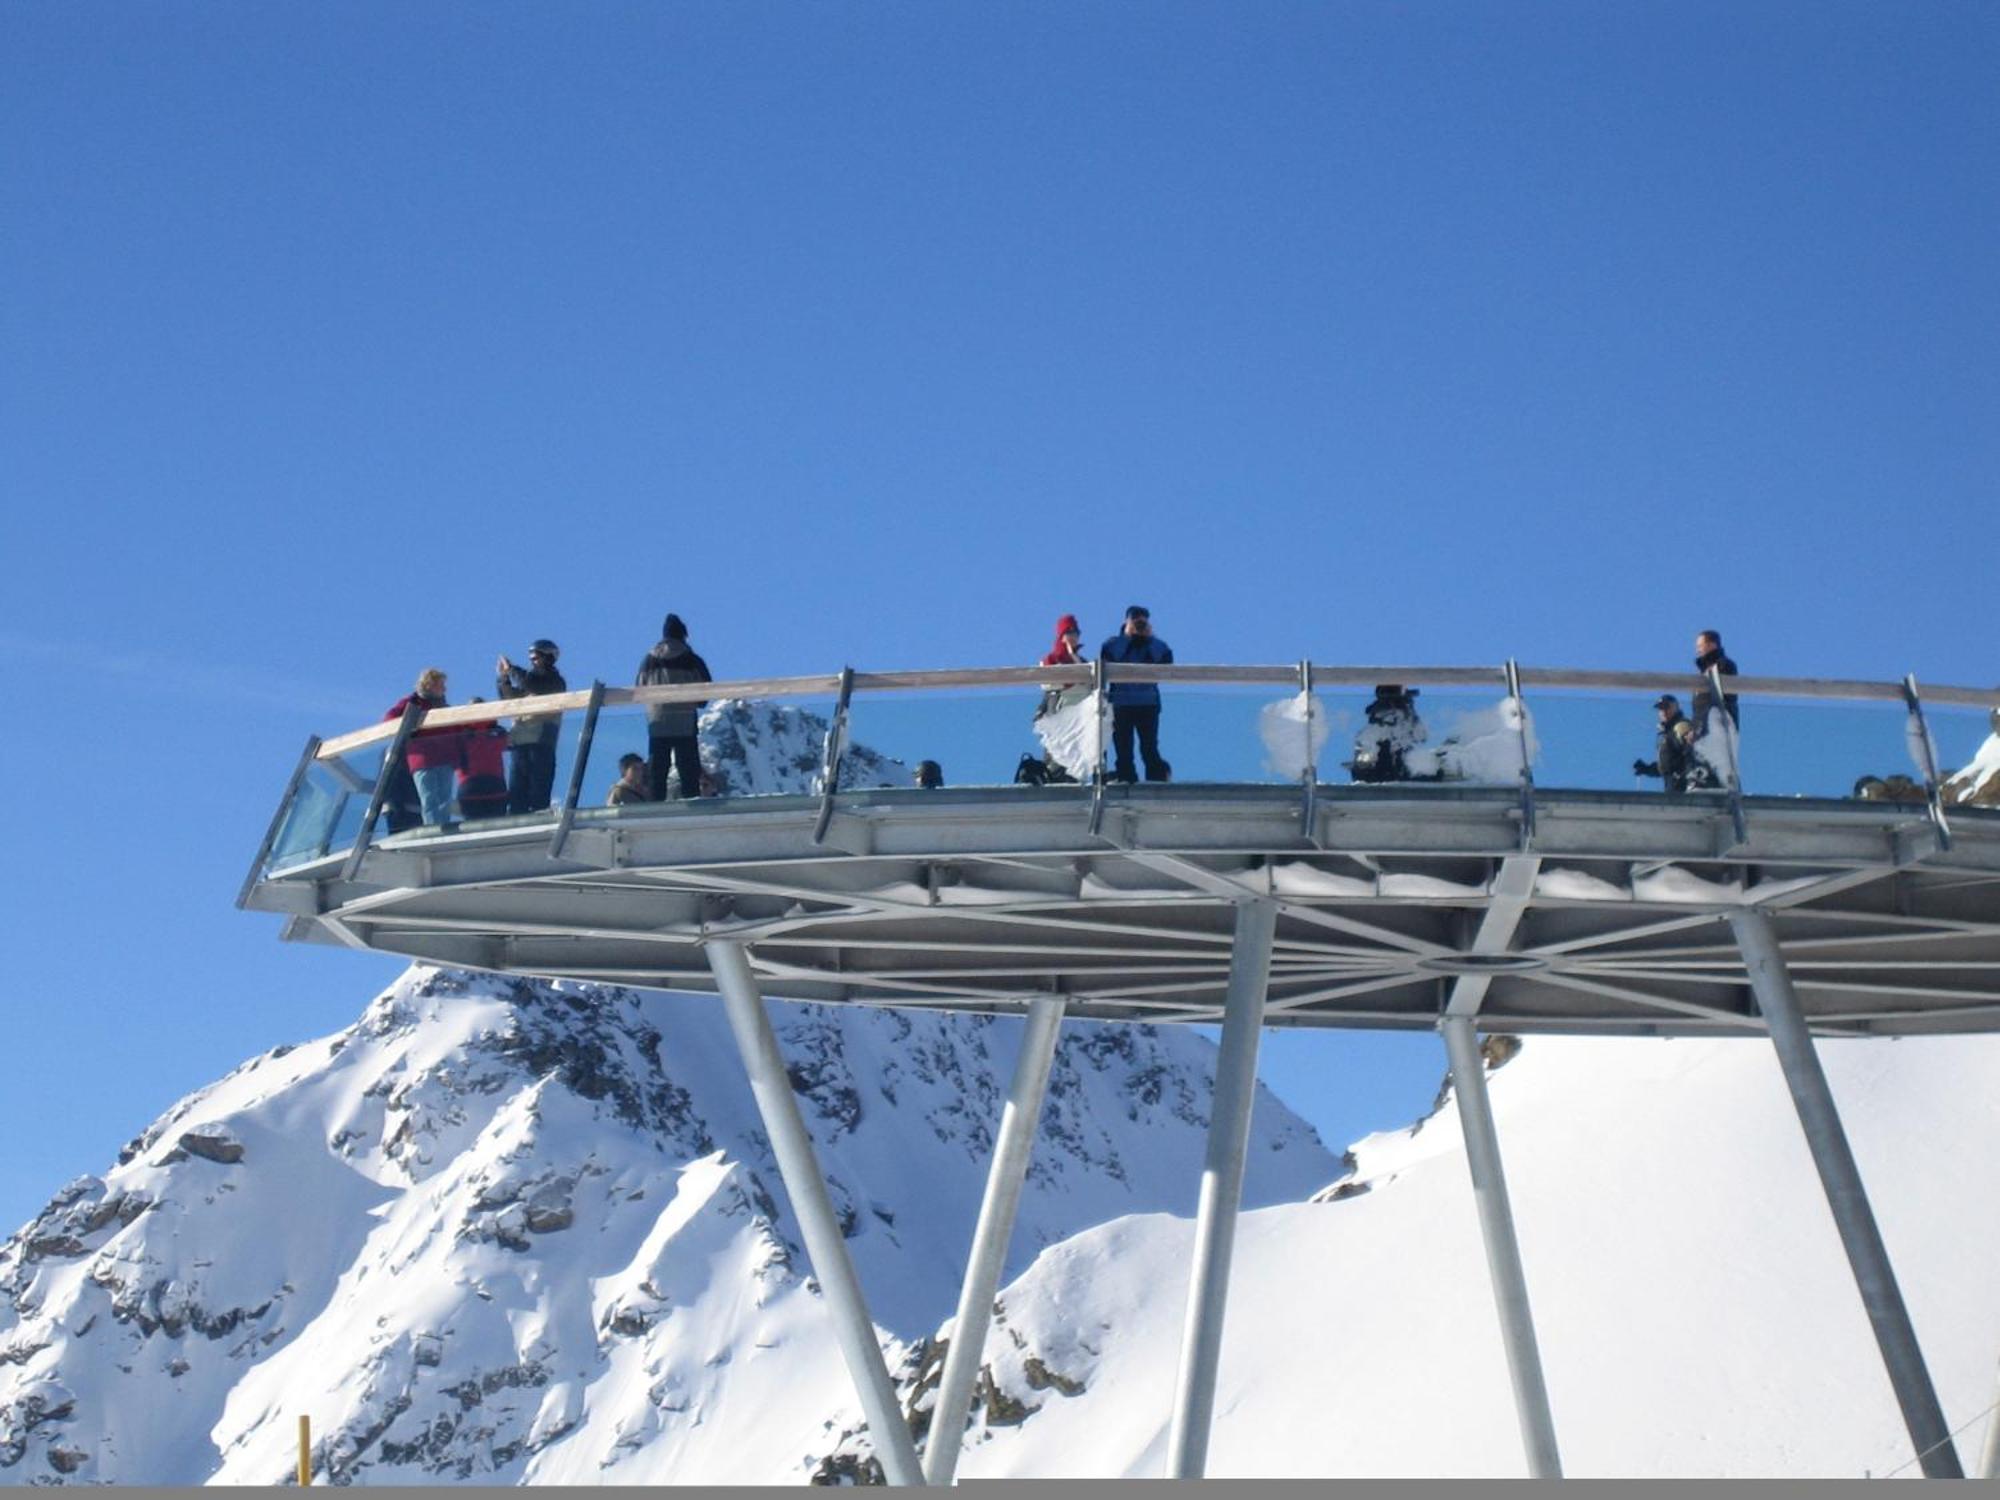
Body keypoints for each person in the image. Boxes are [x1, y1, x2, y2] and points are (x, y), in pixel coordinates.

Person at [636, 613, 712, 800]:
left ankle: (655, 807)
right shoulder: (692, 659)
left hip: (657, 722)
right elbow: (706, 692)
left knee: (657, 771)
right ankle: (692, 804)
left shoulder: (649, 660)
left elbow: (639, 689)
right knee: (688, 769)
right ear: (682, 635)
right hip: (684, 721)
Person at [1098, 605, 1173, 783]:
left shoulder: (1155, 645)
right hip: (1121, 703)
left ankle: (1155, 781)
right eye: (1135, 621)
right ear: (1127, 621)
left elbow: (1167, 662)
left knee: (1149, 747)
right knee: (1124, 748)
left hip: (1147, 703)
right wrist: (1128, 637)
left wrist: (1149, 639)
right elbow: (1107, 656)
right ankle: (1127, 780)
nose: (1139, 625)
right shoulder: (1114, 643)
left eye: (1143, 621)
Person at [497, 639, 567, 815]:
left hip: (541, 742)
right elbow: (510, 697)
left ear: (548, 658)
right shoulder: (529, 682)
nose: (533, 662)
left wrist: (512, 669)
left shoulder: (554, 681)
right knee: (516, 792)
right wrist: (504, 679)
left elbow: (532, 684)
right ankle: (516, 823)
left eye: (537, 658)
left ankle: (538, 819)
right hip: (520, 743)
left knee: (538, 791)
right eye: (532, 659)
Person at [383, 668, 459, 827]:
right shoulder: (413, 702)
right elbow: (389, 719)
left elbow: (455, 729)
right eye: (441, 685)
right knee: (430, 797)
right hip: (422, 759)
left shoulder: (444, 707)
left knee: (444, 798)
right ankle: (433, 829)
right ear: (429, 684)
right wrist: (413, 727)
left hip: (444, 758)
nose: (444, 689)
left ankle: (443, 827)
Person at [1633, 694, 1709, 794]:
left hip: (1683, 787)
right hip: (1673, 787)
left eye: (1667, 707)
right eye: (1661, 709)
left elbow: (1691, 749)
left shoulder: (1680, 726)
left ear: (1676, 708)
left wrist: (1689, 776)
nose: (1664, 711)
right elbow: (1667, 766)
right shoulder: (1667, 734)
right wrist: (1647, 769)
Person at [1350, 685, 1427, 783]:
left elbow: (1421, 736)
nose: (1390, 716)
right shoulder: (1375, 715)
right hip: (1378, 770)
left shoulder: (1409, 716)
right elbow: (1367, 737)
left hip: (1405, 766)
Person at [455, 701, 512, 820]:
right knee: (497, 828)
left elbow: (452, 752)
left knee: (472, 830)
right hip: (495, 784)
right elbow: (508, 744)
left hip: (469, 785)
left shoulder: (459, 733)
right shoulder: (497, 731)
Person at [1691, 629, 1740, 736]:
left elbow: (1724, 699)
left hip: (1719, 728)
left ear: (1711, 645)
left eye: (1700, 646)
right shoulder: (1702, 673)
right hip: (1703, 731)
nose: (1697, 651)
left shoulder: (1724, 665)